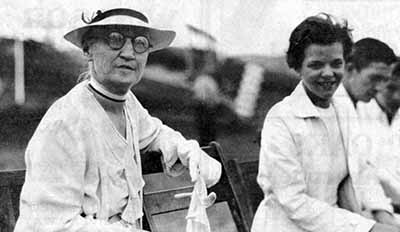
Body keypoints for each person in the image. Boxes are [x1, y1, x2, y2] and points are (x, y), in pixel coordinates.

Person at [14, 8, 221, 232]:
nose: (129, 53)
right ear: (88, 49)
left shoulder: (128, 105)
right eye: (115, 39)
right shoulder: (65, 122)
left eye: (140, 43)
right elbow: (50, 225)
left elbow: (155, 133)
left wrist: (184, 148)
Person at [252, 13, 400, 232]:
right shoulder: (281, 119)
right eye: (316, 65)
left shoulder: (342, 109)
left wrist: (385, 217)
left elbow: (362, 171)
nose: (328, 73)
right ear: (297, 66)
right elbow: (295, 204)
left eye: (336, 63)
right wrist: (370, 229)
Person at [357, 62, 400, 205]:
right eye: (391, 88)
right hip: (371, 204)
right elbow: (373, 174)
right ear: (379, 85)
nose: (396, 97)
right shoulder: (360, 114)